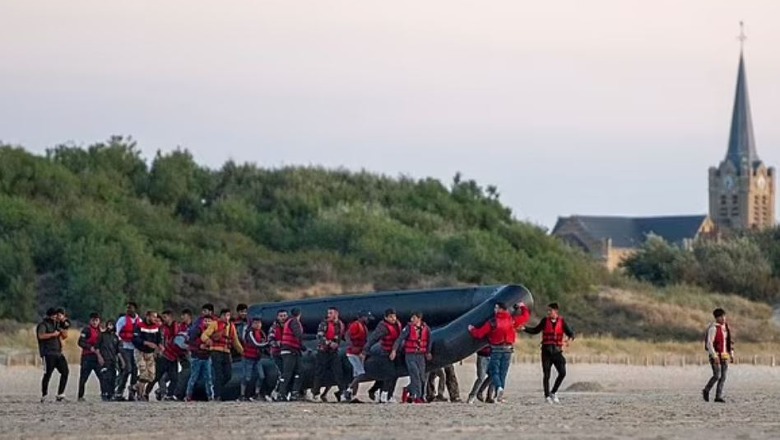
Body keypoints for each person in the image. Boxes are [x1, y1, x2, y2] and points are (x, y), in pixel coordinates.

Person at [469, 301, 530, 403]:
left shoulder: (492, 322)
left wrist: (472, 329)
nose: (495, 310)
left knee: (494, 371)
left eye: (496, 308)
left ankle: (499, 388)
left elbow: (479, 334)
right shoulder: (512, 321)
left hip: (497, 349)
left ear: (501, 309)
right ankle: (499, 394)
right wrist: (522, 306)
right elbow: (525, 317)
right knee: (503, 373)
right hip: (509, 350)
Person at [524, 302, 575, 404]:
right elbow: (535, 330)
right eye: (547, 310)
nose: (548, 312)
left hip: (557, 352)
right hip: (546, 352)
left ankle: (554, 392)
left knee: (562, 373)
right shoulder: (544, 321)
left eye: (550, 310)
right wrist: (525, 328)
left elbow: (571, 333)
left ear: (556, 311)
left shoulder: (562, 321)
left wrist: (569, 339)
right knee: (546, 375)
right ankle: (547, 396)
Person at [201, 308, 244, 401]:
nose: (226, 317)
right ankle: (217, 395)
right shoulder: (214, 324)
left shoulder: (231, 326)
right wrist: (208, 341)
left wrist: (243, 352)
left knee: (228, 375)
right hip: (216, 351)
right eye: (225, 315)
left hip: (226, 352)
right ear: (221, 316)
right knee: (218, 374)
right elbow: (204, 335)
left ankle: (217, 389)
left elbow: (235, 341)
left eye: (228, 315)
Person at [391, 311, 432, 404]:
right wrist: (394, 350)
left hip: (420, 355)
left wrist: (428, 352)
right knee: (415, 374)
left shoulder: (426, 329)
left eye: (414, 318)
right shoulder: (408, 328)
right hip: (410, 355)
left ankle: (413, 392)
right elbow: (400, 339)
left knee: (422, 377)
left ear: (419, 319)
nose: (411, 320)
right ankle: (416, 396)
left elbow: (429, 341)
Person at [364, 308, 403, 403]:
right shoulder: (382, 327)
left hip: (396, 352)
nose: (393, 318)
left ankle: (389, 395)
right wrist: (366, 350)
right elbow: (373, 338)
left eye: (394, 316)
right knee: (389, 374)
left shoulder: (397, 324)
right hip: (385, 353)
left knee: (395, 375)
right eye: (390, 317)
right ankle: (384, 394)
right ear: (386, 317)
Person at [312, 307, 346, 402]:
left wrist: (336, 344)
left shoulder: (340, 324)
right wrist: (329, 343)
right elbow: (320, 336)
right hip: (323, 352)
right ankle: (316, 393)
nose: (329, 315)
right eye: (328, 313)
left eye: (331, 313)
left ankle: (342, 392)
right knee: (319, 373)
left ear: (336, 313)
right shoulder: (324, 324)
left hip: (333, 352)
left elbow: (340, 336)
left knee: (338, 372)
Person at [37, 307, 69, 403]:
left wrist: (64, 329)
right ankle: (44, 394)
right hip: (48, 353)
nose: (56, 317)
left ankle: (60, 394)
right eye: (55, 315)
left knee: (65, 372)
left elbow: (64, 336)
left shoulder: (57, 325)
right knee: (48, 374)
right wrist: (53, 334)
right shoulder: (43, 325)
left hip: (58, 352)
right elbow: (41, 336)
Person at [703, 308, 733, 403]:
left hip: (725, 354)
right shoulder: (713, 328)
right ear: (716, 318)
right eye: (721, 317)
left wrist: (731, 354)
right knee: (717, 375)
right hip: (716, 354)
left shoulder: (726, 328)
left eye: (724, 316)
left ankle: (718, 396)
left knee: (723, 376)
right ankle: (706, 390)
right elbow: (709, 343)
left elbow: (729, 342)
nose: (723, 319)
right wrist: (714, 356)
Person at [132, 311, 163, 401]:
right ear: (147, 316)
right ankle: (140, 395)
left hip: (150, 353)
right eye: (153, 317)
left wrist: (160, 345)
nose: (155, 319)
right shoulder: (139, 326)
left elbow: (159, 339)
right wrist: (146, 343)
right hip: (140, 352)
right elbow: (135, 339)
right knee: (143, 373)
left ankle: (134, 387)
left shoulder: (156, 327)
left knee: (151, 376)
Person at [152, 310, 182, 401]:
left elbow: (178, 338)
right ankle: (146, 392)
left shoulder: (176, 326)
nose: (164, 319)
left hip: (173, 355)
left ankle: (168, 394)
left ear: (170, 317)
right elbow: (159, 340)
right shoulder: (162, 328)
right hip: (164, 355)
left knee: (174, 378)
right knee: (157, 376)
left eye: (165, 317)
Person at [277, 307, 304, 401]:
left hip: (292, 350)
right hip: (290, 351)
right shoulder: (294, 322)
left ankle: (292, 392)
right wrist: (303, 345)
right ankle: (282, 393)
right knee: (288, 373)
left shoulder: (289, 322)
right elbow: (298, 334)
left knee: (298, 372)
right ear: (299, 314)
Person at [186, 314, 215, 401]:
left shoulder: (212, 332)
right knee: (194, 377)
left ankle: (210, 396)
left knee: (208, 378)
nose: (207, 323)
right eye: (205, 321)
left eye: (209, 321)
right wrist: (200, 346)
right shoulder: (197, 330)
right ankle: (188, 396)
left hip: (207, 357)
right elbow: (190, 342)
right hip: (197, 357)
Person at [115, 301, 140, 400]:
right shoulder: (122, 320)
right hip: (124, 347)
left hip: (135, 348)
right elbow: (117, 333)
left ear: (135, 309)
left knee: (135, 371)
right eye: (127, 308)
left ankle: (132, 393)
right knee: (127, 369)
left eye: (130, 308)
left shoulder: (140, 321)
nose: (128, 310)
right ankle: (119, 391)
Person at [344, 310, 371, 402]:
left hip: (358, 353)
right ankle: (348, 390)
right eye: (366, 317)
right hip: (352, 353)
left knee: (356, 376)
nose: (368, 319)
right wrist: (351, 346)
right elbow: (347, 335)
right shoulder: (355, 325)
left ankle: (353, 395)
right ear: (362, 317)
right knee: (361, 373)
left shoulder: (364, 327)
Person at [77, 313, 103, 401]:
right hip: (87, 357)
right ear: (90, 321)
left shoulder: (100, 331)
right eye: (93, 320)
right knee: (83, 378)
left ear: (99, 321)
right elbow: (80, 342)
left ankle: (104, 394)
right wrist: (90, 347)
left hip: (97, 357)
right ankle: (80, 396)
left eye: (96, 320)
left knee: (102, 376)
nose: (95, 322)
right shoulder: (86, 330)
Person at [242, 317, 267, 401]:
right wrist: (267, 344)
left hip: (257, 358)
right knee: (247, 377)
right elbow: (256, 344)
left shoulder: (261, 333)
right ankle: (243, 395)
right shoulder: (250, 333)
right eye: (255, 323)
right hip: (248, 358)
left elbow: (262, 345)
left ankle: (256, 394)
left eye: (259, 323)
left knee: (261, 376)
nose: (257, 325)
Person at [97, 319, 123, 401]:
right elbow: (97, 347)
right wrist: (99, 357)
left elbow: (118, 351)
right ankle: (104, 393)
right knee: (105, 377)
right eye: (108, 325)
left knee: (113, 377)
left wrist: (122, 360)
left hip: (113, 360)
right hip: (104, 359)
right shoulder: (102, 335)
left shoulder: (116, 337)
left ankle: (111, 393)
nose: (109, 326)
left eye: (111, 325)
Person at [173, 309, 193, 401]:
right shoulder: (180, 327)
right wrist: (188, 347)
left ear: (189, 316)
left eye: (183, 315)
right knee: (186, 372)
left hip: (192, 353)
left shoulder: (194, 327)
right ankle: (177, 393)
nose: (182, 317)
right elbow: (177, 341)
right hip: (183, 354)